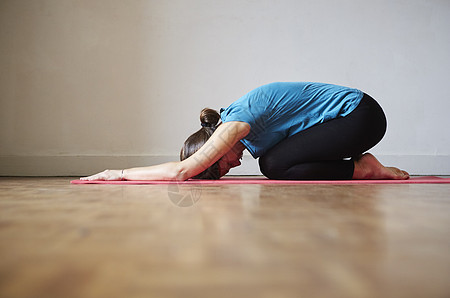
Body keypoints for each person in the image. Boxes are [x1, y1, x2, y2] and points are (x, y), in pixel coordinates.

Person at [81, 82, 409, 181]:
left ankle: (363, 168)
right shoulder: (240, 130)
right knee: (274, 164)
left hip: (361, 115)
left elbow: (181, 171)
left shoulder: (234, 123)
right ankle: (361, 167)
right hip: (350, 122)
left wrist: (118, 174)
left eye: (222, 164)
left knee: (274, 165)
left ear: (214, 146)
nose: (234, 166)